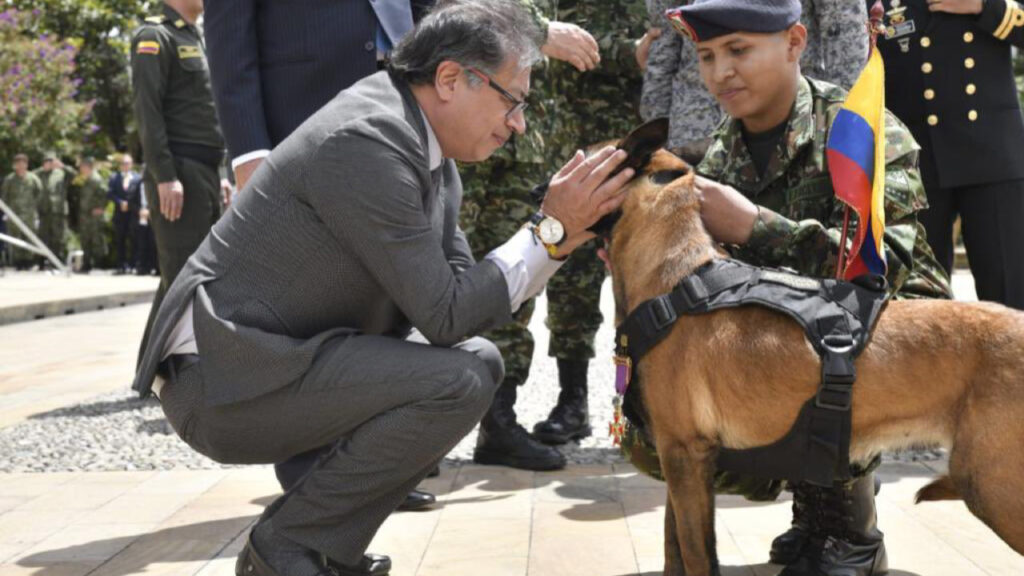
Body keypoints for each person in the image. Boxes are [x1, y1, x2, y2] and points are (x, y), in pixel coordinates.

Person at [132, 2, 633, 575]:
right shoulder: (368, 140)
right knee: (458, 378)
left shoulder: (425, 148)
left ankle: (325, 549)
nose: (518, 121)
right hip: (222, 383)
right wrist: (549, 232)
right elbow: (446, 313)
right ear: (449, 79)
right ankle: (284, 549)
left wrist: (556, 236)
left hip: (270, 361)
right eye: (512, 99)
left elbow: (461, 302)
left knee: (478, 364)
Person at [621, 1, 953, 575]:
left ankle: (850, 531)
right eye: (705, 56)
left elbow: (889, 273)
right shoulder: (716, 155)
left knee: (824, 347)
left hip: (892, 341)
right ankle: (810, 512)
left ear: (795, 42)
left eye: (739, 50)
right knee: (659, 418)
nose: (720, 71)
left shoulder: (859, 127)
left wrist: (757, 227)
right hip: (788, 349)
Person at [460, 0, 648, 471]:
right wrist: (545, 32)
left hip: (551, 135)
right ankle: (423, 422)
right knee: (454, 268)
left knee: (528, 277)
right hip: (491, 127)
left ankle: (508, 416)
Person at [873, 0, 1024, 310]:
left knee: (1011, 295)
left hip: (992, 152)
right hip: (912, 159)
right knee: (920, 303)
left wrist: (983, 6)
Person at [643, 0, 868, 164]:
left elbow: (845, 35)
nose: (722, 72)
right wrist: (655, 132)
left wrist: (839, 125)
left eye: (738, 50)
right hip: (695, 122)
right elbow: (665, 38)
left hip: (792, 119)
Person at [132, 0, 226, 360]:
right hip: (179, 171)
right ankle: (179, 370)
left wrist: (221, 174)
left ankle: (150, 368)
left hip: (204, 170)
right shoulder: (154, 36)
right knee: (185, 277)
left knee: (182, 271)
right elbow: (147, 112)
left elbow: (208, 112)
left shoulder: (196, 37)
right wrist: (164, 175)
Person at [0, 154, 43, 270]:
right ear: (14, 165)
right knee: (15, 238)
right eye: (18, 163)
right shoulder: (9, 179)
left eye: (23, 163)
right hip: (14, 215)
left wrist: (34, 208)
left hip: (29, 215)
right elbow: (4, 197)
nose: (20, 166)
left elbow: (39, 194)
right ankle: (18, 262)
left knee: (29, 237)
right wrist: (6, 213)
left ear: (26, 164)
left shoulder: (33, 179)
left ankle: (28, 261)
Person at [107, 154, 143, 274]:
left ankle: (134, 264)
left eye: (128, 163)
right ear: (120, 165)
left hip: (133, 214)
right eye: (123, 163)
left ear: (131, 164)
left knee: (134, 239)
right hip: (119, 214)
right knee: (120, 240)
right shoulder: (114, 178)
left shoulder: (137, 178)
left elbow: (140, 195)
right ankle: (121, 265)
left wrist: (131, 205)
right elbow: (110, 194)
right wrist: (119, 202)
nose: (125, 165)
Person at [73, 158, 108, 272]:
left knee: (96, 239)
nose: (80, 169)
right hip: (85, 215)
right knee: (85, 240)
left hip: (94, 216)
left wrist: (101, 207)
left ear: (88, 167)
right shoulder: (87, 179)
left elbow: (104, 193)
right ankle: (87, 264)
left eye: (82, 166)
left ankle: (99, 264)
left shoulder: (96, 179)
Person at [35, 151, 70, 264]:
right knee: (42, 236)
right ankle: (41, 260)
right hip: (44, 211)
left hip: (58, 211)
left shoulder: (61, 173)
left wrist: (63, 166)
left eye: (51, 161)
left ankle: (57, 261)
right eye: (46, 161)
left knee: (58, 237)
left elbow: (75, 176)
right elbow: (28, 177)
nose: (49, 163)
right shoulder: (39, 173)